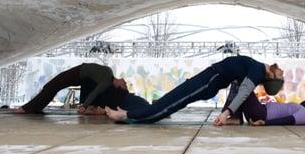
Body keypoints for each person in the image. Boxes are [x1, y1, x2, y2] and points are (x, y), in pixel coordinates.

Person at [106, 55, 284, 125]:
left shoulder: (257, 72)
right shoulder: (258, 69)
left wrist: (226, 113)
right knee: (169, 101)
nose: (283, 72)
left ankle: (126, 115)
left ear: (272, 77)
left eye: (281, 76)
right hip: (208, 79)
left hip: (208, 82)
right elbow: (238, 86)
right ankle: (130, 113)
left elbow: (243, 92)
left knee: (169, 104)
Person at [15, 63, 127, 114]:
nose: (125, 81)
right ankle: (34, 108)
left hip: (77, 74)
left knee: (51, 86)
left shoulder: (106, 82)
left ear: (118, 86)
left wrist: (84, 105)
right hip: (79, 72)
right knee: (52, 87)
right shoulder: (109, 73)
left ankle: (27, 108)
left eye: (124, 85)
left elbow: (94, 93)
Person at [223, 83, 305, 126]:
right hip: (260, 110)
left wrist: (264, 123)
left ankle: (235, 117)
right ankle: (235, 117)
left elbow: (287, 120)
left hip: (261, 114)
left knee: (241, 83)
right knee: (240, 84)